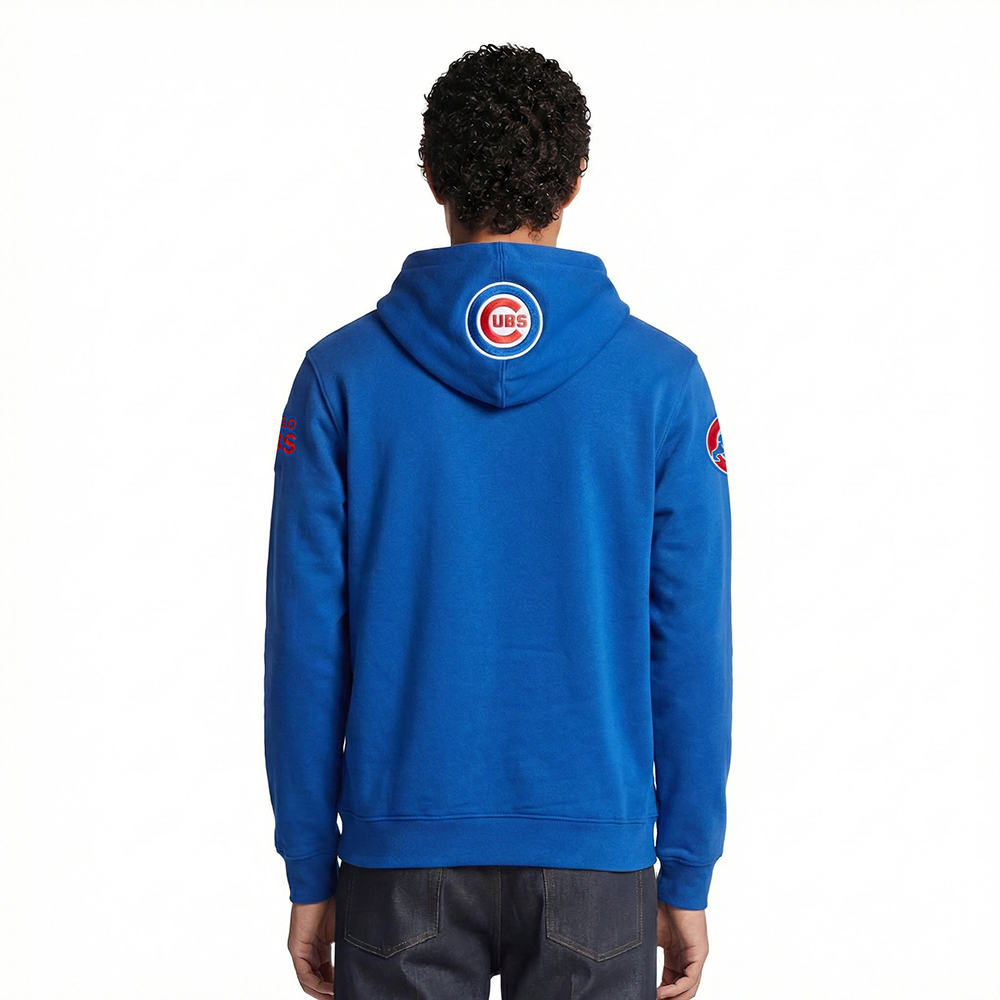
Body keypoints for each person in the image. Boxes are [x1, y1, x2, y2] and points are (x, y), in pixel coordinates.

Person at [263, 42, 733, 1000]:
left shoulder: (340, 379)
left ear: (431, 175)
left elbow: (305, 643)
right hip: (596, 859)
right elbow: (692, 643)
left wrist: (310, 868)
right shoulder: (663, 384)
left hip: (398, 855)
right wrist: (685, 873)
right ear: (577, 179)